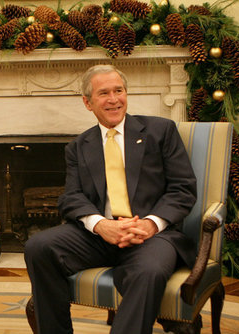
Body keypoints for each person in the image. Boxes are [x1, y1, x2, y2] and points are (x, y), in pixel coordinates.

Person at [24, 64, 197, 334]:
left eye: (119, 91)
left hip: (151, 236)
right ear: (88, 102)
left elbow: (183, 188)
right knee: (39, 247)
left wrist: (151, 224)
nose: (114, 99)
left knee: (148, 271)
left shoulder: (160, 131)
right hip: (99, 237)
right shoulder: (79, 146)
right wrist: (100, 225)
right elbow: (71, 197)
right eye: (104, 93)